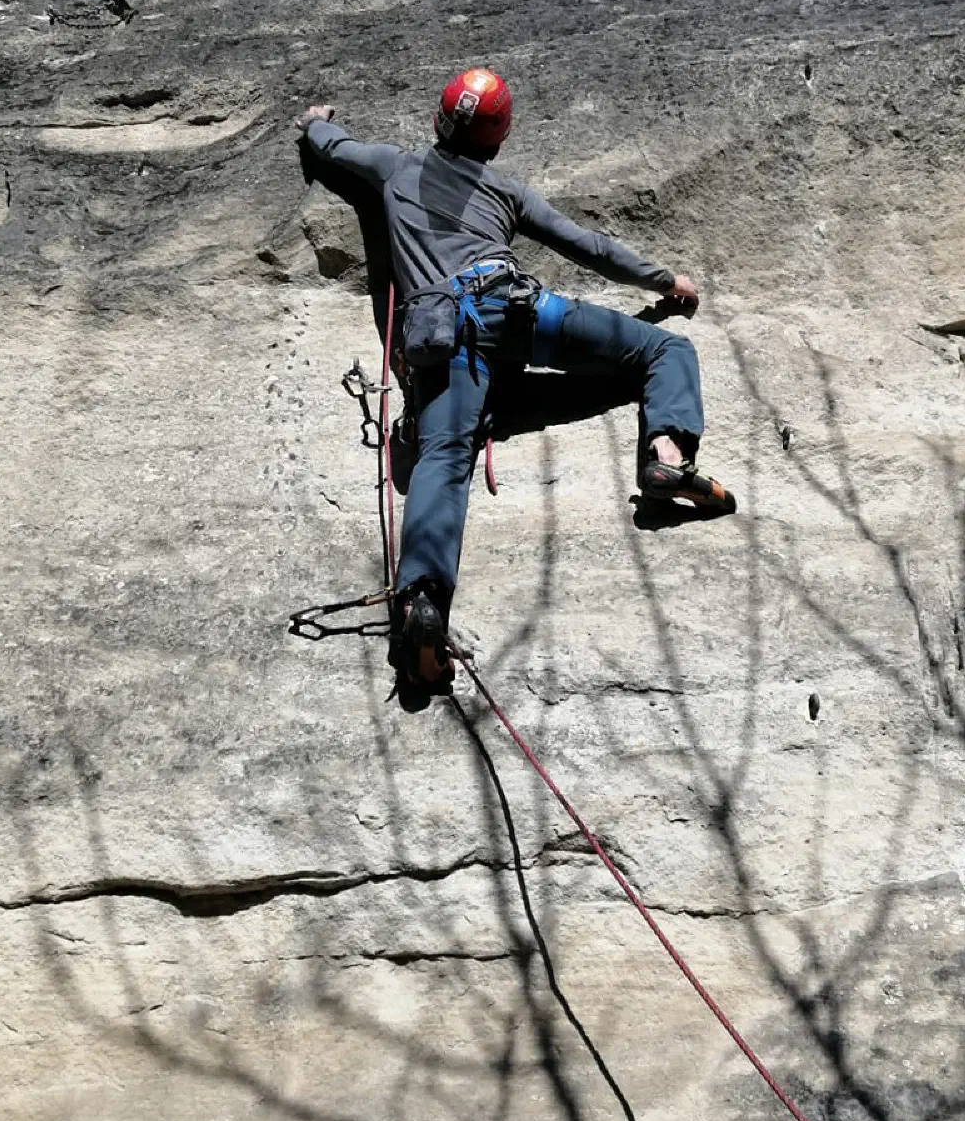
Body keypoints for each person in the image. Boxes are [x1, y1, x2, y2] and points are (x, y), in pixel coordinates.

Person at [297, 68, 733, 711]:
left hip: (447, 337)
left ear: (439, 120)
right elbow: (586, 245)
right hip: (521, 310)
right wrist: (664, 280)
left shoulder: (392, 167)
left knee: (443, 461)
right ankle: (666, 457)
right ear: (497, 141)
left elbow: (329, 150)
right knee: (664, 347)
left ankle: (420, 603)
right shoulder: (505, 190)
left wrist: (315, 119)